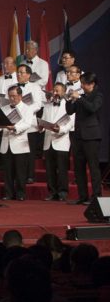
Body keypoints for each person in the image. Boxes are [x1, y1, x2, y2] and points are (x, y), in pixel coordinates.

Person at [66, 73, 103, 204]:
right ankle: (83, 196)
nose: (81, 86)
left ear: (92, 84)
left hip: (91, 136)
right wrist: (69, 99)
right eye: (81, 83)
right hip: (78, 136)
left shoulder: (98, 95)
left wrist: (79, 98)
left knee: (93, 167)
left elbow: (92, 108)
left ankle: (96, 197)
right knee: (79, 167)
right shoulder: (81, 96)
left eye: (84, 83)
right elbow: (70, 111)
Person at [0, 85, 35, 201]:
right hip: (6, 143)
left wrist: (14, 128)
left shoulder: (27, 108)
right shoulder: (4, 108)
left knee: (20, 171)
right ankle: (8, 193)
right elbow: (0, 124)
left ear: (20, 96)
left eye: (14, 96)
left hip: (20, 143)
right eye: (10, 96)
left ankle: (20, 193)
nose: (11, 98)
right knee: (7, 172)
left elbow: (27, 124)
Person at [42, 82, 74, 202]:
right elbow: (44, 121)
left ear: (64, 92)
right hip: (48, 141)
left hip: (61, 141)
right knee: (49, 169)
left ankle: (62, 192)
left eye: (57, 91)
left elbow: (70, 124)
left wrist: (59, 129)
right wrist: (41, 127)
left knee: (62, 169)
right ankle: (52, 192)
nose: (55, 93)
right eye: (54, 90)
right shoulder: (47, 106)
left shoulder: (69, 105)